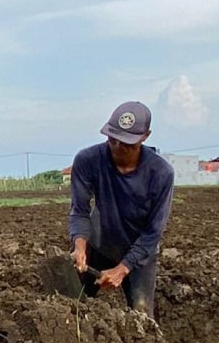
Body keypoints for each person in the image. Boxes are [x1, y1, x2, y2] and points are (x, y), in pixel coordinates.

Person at [68, 101, 175, 319]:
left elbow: (153, 233)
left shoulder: (161, 173)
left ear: (146, 136)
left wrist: (122, 268)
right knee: (71, 305)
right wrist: (79, 245)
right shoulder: (87, 161)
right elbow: (79, 210)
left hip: (140, 253)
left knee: (142, 316)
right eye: (112, 140)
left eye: (127, 144)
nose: (118, 148)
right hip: (98, 245)